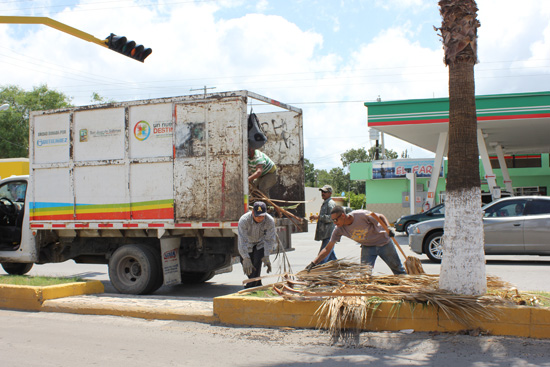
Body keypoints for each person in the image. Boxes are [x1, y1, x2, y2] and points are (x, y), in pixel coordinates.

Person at [305, 206, 406, 275]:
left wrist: (388, 228)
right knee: (364, 275)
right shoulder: (339, 229)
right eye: (333, 221)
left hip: (384, 243)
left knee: (398, 269)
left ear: (343, 216)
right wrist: (314, 263)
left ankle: (409, 294)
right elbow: (327, 248)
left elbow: (380, 216)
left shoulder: (361, 215)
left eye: (336, 220)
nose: (334, 223)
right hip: (368, 248)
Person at [237, 201, 276, 288]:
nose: (260, 218)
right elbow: (242, 241)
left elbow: (270, 240)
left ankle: (250, 286)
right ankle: (257, 284)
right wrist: (246, 258)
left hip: (260, 244)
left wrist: (266, 255)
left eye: (262, 216)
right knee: (247, 265)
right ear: (253, 212)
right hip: (248, 244)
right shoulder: (244, 220)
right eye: (258, 216)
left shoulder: (269, 221)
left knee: (257, 262)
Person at [309, 184, 337, 264]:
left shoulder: (330, 204)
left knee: (322, 257)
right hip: (326, 235)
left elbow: (332, 218)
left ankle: (318, 272)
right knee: (331, 258)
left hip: (329, 235)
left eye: (325, 192)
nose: (323, 193)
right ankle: (339, 270)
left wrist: (318, 217)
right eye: (322, 192)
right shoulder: (326, 203)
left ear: (330, 193)